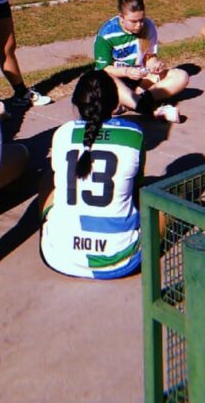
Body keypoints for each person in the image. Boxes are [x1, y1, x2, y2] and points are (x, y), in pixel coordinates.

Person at [39, 70, 145, 279]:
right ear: (116, 104)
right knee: (161, 204)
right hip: (120, 257)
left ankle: (52, 222)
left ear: (76, 103)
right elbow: (137, 188)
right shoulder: (134, 134)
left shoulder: (63, 133)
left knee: (48, 176)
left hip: (59, 254)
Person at [93, 0, 189, 123]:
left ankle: (133, 101)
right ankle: (151, 110)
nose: (139, 25)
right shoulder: (106, 34)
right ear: (121, 17)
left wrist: (155, 65)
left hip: (139, 78)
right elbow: (104, 69)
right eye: (133, 21)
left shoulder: (148, 26)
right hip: (116, 79)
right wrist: (127, 71)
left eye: (141, 20)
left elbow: (150, 57)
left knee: (181, 76)